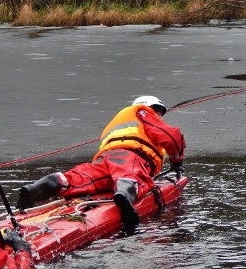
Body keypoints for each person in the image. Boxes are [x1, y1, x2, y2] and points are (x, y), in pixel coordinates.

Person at [16, 96, 186, 229]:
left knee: (80, 178)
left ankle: (48, 185)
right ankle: (124, 193)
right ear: (153, 108)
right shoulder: (144, 114)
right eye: (160, 112)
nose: (160, 117)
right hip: (131, 158)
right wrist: (176, 162)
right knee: (132, 177)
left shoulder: (120, 122)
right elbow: (172, 138)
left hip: (105, 159)